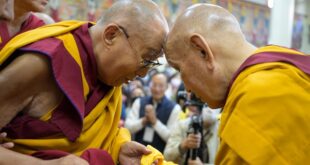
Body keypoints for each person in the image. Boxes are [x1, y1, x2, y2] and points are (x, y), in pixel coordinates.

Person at [0, 0, 169, 164]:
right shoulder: (42, 63)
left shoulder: (107, 76)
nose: (144, 74)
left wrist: (118, 148)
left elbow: (94, 135)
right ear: (111, 35)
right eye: (146, 59)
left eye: (152, 63)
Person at [164, 3, 310, 165]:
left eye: (179, 69)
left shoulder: (259, 96)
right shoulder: (284, 63)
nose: (188, 89)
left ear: (202, 50)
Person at [125, 73, 182, 153]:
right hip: (138, 152)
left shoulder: (175, 108)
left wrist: (155, 122)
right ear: (150, 85)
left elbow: (171, 138)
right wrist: (143, 121)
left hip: (160, 156)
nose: (157, 89)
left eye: (161, 86)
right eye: (154, 85)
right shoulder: (139, 102)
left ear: (166, 87)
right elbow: (127, 127)